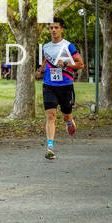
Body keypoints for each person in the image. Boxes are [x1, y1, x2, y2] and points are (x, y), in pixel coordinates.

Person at [36, 17, 84, 160]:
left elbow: (80, 64)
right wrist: (41, 69)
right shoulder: (46, 47)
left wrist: (66, 64)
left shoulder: (69, 46)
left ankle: (69, 121)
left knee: (66, 115)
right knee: (51, 115)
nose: (53, 30)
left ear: (61, 29)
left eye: (56, 27)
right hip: (49, 85)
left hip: (65, 85)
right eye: (51, 28)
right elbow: (47, 60)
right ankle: (50, 147)